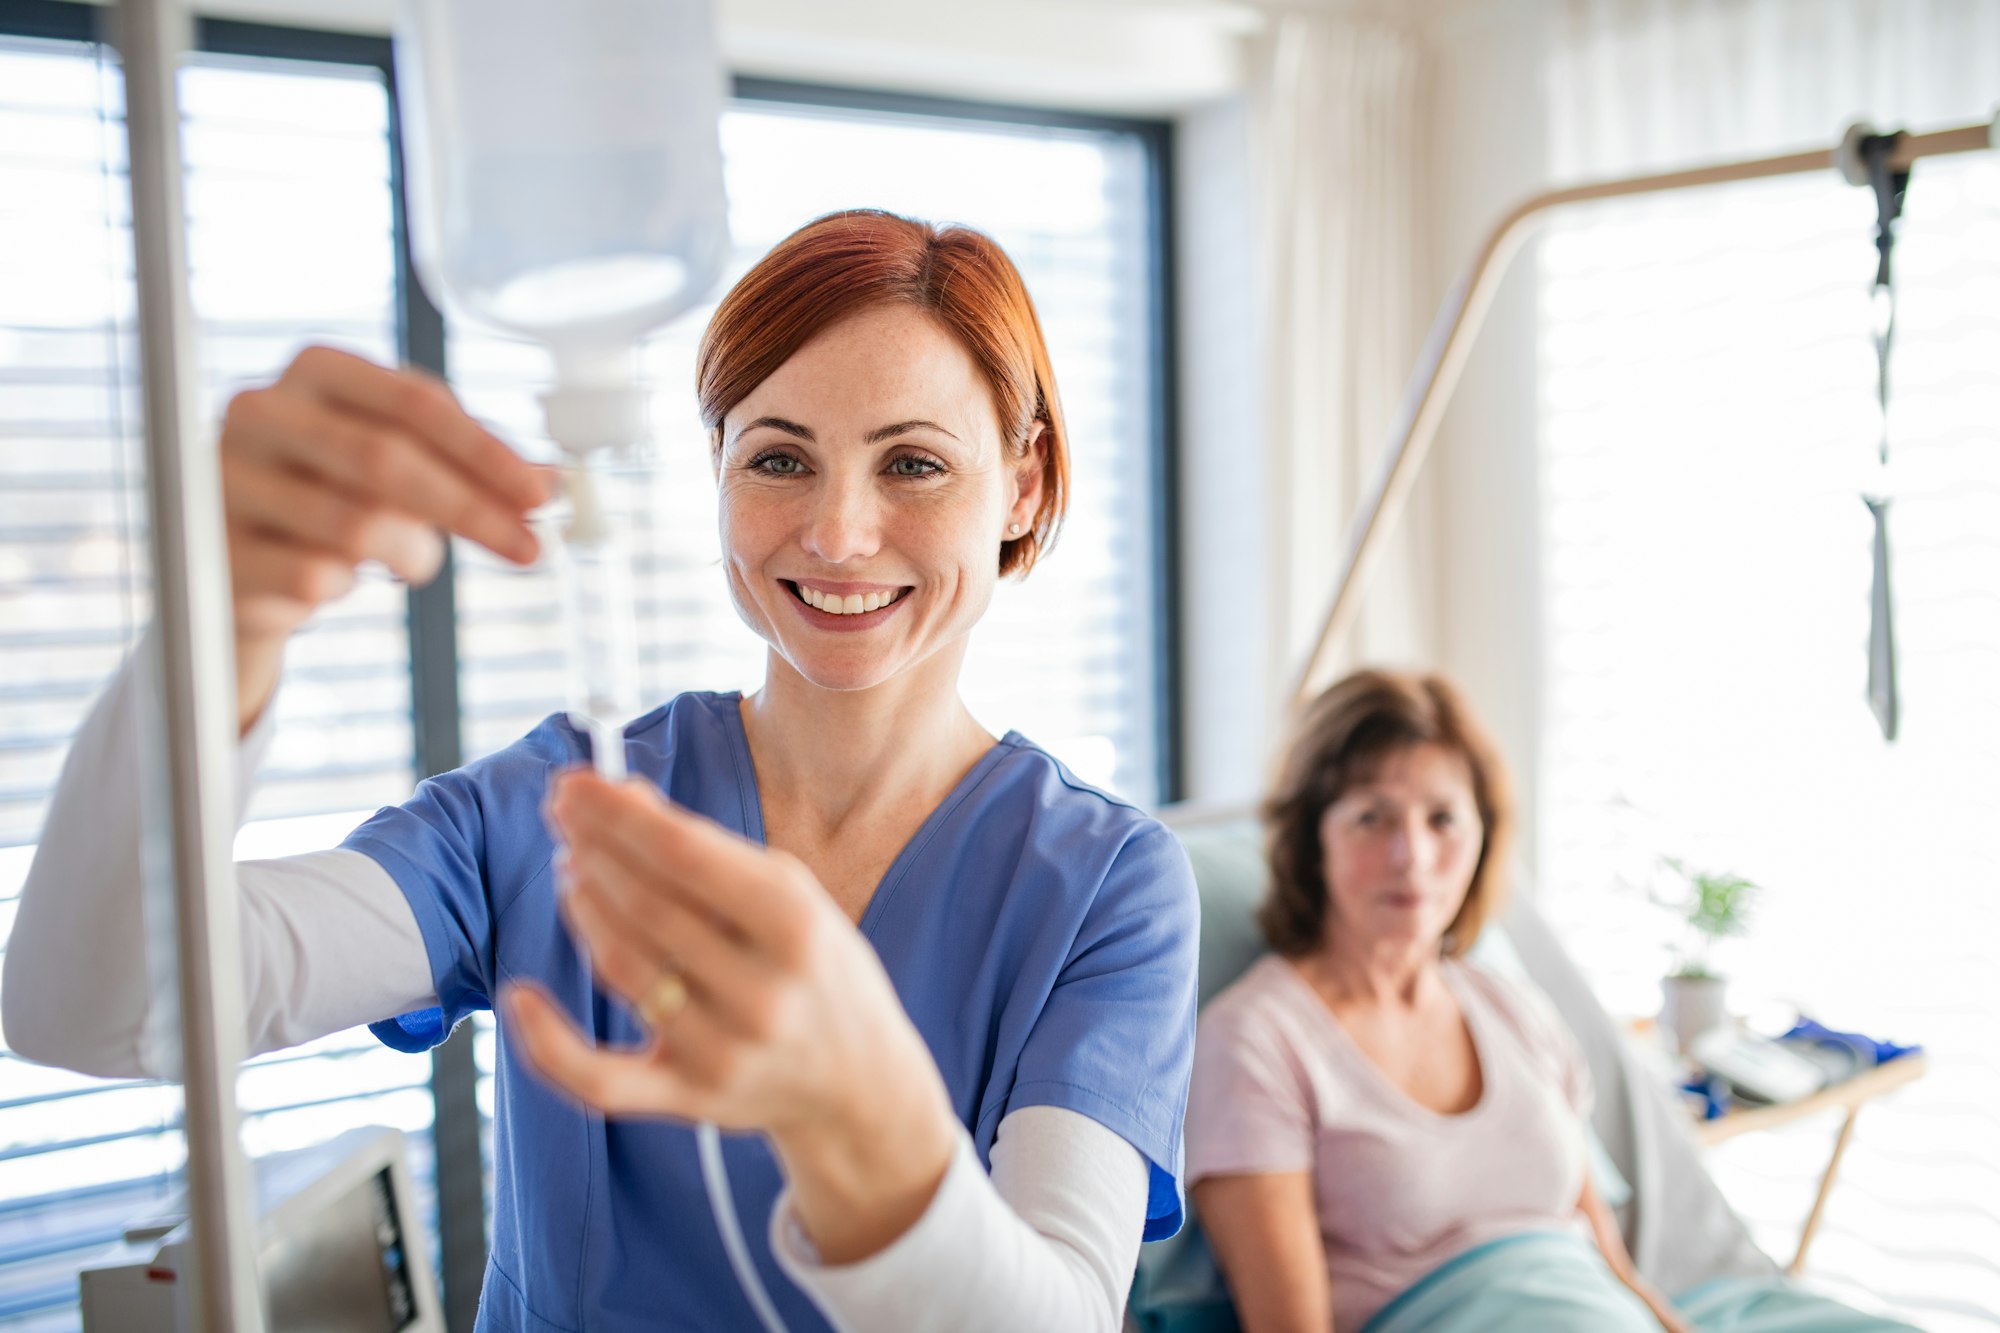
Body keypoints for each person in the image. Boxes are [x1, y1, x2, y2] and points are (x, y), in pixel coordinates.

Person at [4, 210, 1198, 1332]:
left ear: (1022, 484)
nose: (837, 533)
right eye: (779, 459)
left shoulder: (1103, 886)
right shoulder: (561, 803)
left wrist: (859, 1119)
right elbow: (99, 1008)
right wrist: (221, 626)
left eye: (914, 466)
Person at [1183, 669, 1691, 1332]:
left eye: (1443, 818)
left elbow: (1614, 1269)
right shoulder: (1254, 1042)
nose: (1412, 855)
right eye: (1372, 816)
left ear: (1483, 837)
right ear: (1312, 840)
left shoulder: (1515, 1009)